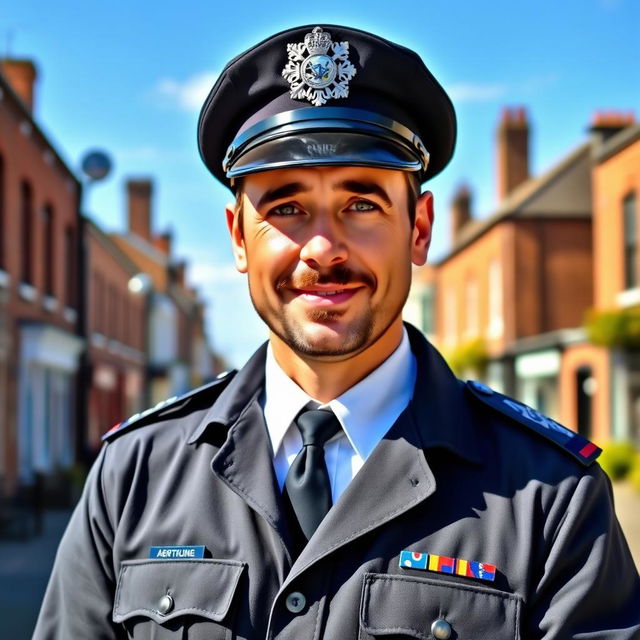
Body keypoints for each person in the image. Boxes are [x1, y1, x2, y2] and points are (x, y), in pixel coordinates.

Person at [34, 24, 639, 639]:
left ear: (420, 229)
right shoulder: (132, 473)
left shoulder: (553, 498)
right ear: (239, 238)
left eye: (363, 205)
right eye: (286, 209)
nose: (323, 249)